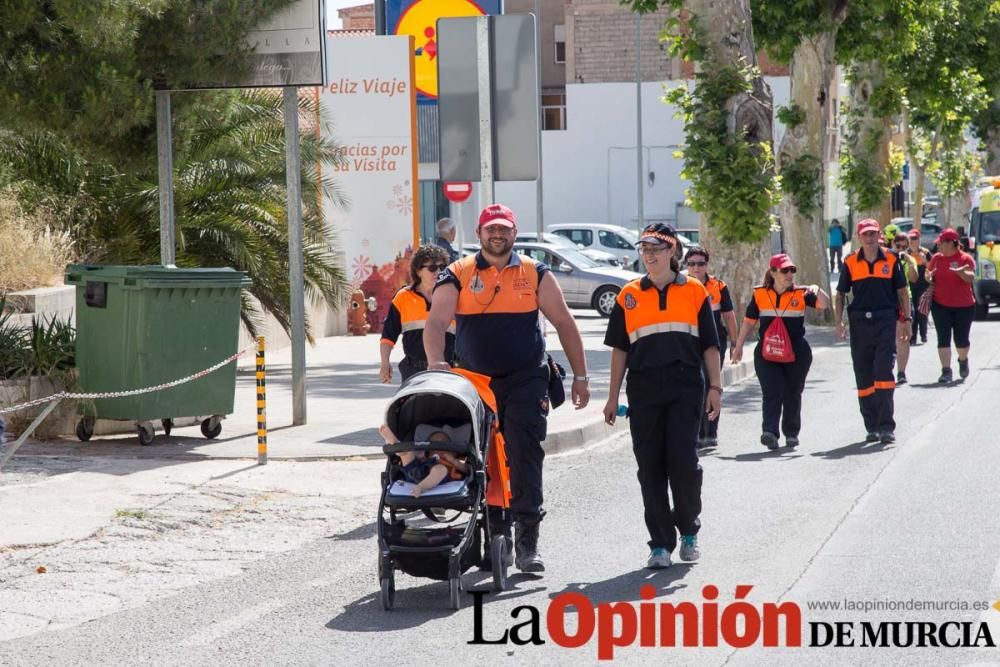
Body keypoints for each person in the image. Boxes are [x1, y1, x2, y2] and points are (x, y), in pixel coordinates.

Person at [424, 203, 590, 574]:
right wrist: (437, 364)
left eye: (504, 229)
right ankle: (495, 535)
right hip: (475, 384)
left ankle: (528, 542)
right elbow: (435, 323)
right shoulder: (458, 273)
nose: (497, 235)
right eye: (490, 229)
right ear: (480, 234)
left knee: (525, 454)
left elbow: (564, 321)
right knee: (481, 459)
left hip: (526, 378)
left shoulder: (535, 272)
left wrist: (580, 376)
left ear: (514, 233)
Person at [602, 223, 722, 570]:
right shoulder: (628, 295)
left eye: (657, 248)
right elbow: (619, 350)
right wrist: (611, 397)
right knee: (650, 467)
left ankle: (688, 530)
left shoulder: (696, 290)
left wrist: (715, 387)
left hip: (686, 386)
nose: (649, 254)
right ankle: (659, 543)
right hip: (643, 389)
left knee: (683, 463)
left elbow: (710, 346)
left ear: (673, 252)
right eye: (645, 248)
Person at [731, 254, 829, 449]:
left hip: (796, 352)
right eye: (785, 270)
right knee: (771, 390)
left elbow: (824, 305)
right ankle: (769, 432)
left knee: (792, 392)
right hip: (767, 352)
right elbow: (749, 321)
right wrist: (739, 346)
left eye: (792, 270)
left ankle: (791, 433)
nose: (789, 274)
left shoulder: (802, 293)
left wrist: (817, 289)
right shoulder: (760, 294)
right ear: (773, 272)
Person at [834, 218, 911, 444]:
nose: (869, 238)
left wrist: (905, 320)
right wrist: (839, 322)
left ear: (879, 235)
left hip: (885, 320)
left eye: (873, 234)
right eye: (865, 234)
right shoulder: (850, 262)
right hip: (860, 323)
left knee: (884, 372)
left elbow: (902, 292)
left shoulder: (891, 259)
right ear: (859, 237)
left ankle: (887, 425)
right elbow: (840, 295)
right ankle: (872, 425)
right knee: (864, 375)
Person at [683, 247, 737, 448]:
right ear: (686, 266)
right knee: (695, 385)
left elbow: (729, 315)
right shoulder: (680, 286)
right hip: (689, 342)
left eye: (701, 263)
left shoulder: (718, 286)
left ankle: (710, 432)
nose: (696, 268)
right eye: (692, 264)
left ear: (707, 265)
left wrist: (734, 342)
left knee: (711, 384)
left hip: (714, 342)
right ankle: (696, 432)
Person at [380, 245, 455, 383]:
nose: (438, 271)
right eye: (432, 268)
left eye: (442, 267)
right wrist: (385, 363)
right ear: (418, 270)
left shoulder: (454, 296)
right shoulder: (403, 297)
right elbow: (388, 336)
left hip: (448, 371)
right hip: (413, 371)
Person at [926, 228, 976, 383]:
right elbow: (927, 274)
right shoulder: (936, 258)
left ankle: (963, 359)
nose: (938, 246)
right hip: (940, 305)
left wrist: (960, 272)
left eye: (941, 243)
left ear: (951, 243)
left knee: (961, 340)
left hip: (964, 306)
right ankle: (946, 371)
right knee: (943, 338)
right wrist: (929, 276)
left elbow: (970, 277)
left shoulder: (965, 258)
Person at [379, 424, 470, 497]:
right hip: (417, 472)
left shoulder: (455, 459)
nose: (438, 450)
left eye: (443, 446)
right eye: (434, 446)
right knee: (408, 453)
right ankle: (397, 445)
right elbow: (418, 457)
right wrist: (420, 455)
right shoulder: (426, 456)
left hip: (438, 479)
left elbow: (467, 469)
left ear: (454, 451)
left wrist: (454, 461)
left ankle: (421, 487)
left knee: (440, 469)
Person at [890, 233, 918, 385]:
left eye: (904, 247)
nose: (900, 249)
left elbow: (914, 278)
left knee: (904, 337)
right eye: (898, 246)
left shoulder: (908, 259)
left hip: (905, 300)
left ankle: (901, 372)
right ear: (892, 244)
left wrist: (910, 262)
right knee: (889, 335)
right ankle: (889, 362)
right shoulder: (886, 257)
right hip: (888, 300)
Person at [905, 229, 932, 344]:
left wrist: (925, 260)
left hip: (923, 283)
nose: (913, 242)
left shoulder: (925, 252)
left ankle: (923, 334)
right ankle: (913, 336)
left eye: (915, 239)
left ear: (919, 240)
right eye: (911, 239)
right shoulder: (906, 254)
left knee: (922, 309)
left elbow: (932, 268)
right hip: (911, 283)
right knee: (913, 311)